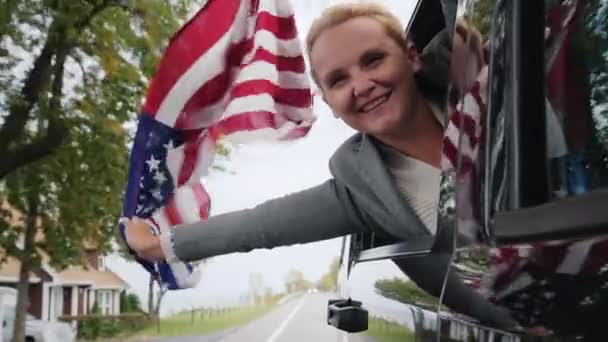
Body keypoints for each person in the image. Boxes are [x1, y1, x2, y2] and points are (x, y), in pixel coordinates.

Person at [124, 2, 518, 330]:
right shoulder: (359, 188)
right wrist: (160, 246)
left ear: (412, 57)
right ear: (328, 102)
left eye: (374, 59)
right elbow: (259, 225)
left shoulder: (488, 83)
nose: (362, 85)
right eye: (339, 79)